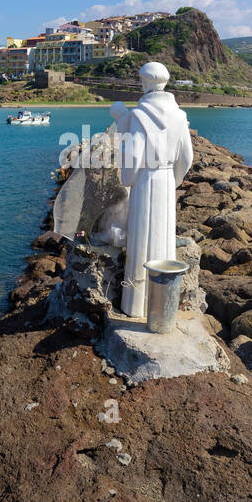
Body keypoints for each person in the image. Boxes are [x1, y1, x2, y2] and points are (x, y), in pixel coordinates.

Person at [110, 61, 193, 318]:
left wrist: (127, 179)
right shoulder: (180, 116)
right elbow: (187, 158)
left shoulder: (138, 115)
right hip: (167, 179)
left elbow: (133, 155)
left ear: (145, 83)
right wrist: (173, 178)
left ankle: (136, 304)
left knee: (141, 237)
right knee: (164, 238)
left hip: (146, 181)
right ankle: (163, 305)